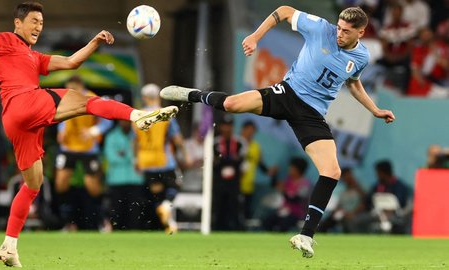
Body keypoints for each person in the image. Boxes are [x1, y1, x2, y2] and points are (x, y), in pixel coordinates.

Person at [161, 6, 395, 258]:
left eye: (346, 31)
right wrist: (255, 37)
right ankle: (190, 94)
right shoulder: (320, 29)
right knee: (231, 105)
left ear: (360, 32)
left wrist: (375, 109)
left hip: (312, 114)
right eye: (338, 27)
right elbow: (284, 11)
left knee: (332, 171)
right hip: (288, 93)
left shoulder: (361, 57)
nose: (339, 34)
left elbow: (354, 83)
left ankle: (305, 235)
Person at [0, 2, 178, 267]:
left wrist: (94, 42)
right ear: (18, 23)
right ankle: (135, 115)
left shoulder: (34, 57)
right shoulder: (4, 39)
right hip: (24, 103)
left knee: (33, 185)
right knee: (86, 102)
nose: (39, 26)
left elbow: (72, 62)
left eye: (41, 22)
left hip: (17, 123)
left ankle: (9, 245)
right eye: (34, 21)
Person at [54, 75, 113, 231]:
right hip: (68, 147)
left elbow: (108, 120)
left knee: (92, 186)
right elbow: (61, 118)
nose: (70, 92)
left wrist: (94, 131)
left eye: (74, 89)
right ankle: (68, 222)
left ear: (81, 87)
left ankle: (102, 220)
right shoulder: (65, 98)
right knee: (60, 183)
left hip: (88, 147)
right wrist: (61, 131)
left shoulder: (92, 98)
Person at [133, 83, 189, 234]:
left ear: (144, 98)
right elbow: (177, 139)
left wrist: (136, 159)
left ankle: (169, 224)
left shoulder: (139, 114)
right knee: (175, 185)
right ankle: (167, 207)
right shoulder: (165, 114)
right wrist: (186, 155)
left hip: (145, 161)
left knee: (157, 193)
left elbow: (135, 141)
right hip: (163, 160)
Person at [104, 120, 144, 230]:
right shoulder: (111, 136)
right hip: (117, 180)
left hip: (135, 180)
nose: (125, 124)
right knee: (117, 213)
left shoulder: (138, 135)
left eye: (127, 121)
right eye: (123, 121)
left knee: (135, 214)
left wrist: (123, 153)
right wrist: (131, 155)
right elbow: (111, 158)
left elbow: (143, 156)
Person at [211, 115, 247, 231]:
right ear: (221, 127)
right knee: (218, 205)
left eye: (229, 126)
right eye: (225, 126)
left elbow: (243, 161)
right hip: (219, 181)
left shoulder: (239, 142)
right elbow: (212, 162)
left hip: (234, 181)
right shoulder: (214, 143)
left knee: (234, 206)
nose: (227, 128)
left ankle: (236, 229)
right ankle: (217, 228)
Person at [264, 157, 310, 232]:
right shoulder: (288, 180)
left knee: (283, 224)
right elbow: (274, 185)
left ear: (298, 170)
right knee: (267, 222)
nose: (289, 169)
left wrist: (283, 192)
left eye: (292, 168)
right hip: (283, 211)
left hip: (296, 214)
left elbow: (296, 199)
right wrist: (274, 175)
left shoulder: (304, 184)